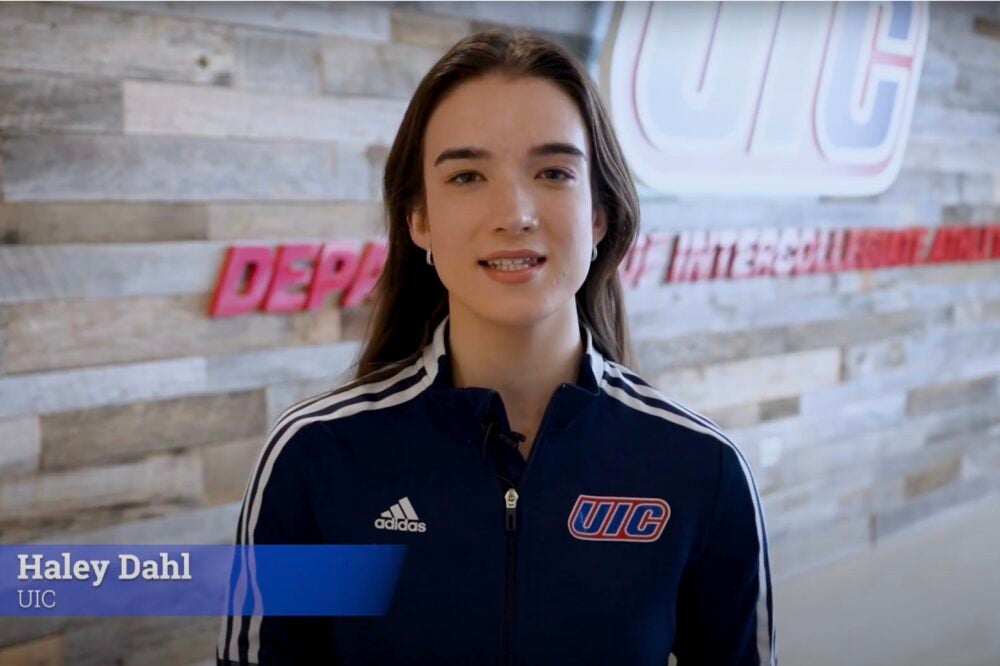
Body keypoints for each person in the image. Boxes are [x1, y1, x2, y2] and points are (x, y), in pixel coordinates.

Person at [217, 29, 775, 666]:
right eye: (467, 175)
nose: (514, 212)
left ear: (598, 213)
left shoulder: (700, 468)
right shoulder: (317, 460)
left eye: (554, 172)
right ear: (418, 219)